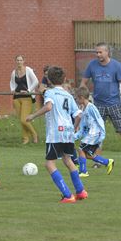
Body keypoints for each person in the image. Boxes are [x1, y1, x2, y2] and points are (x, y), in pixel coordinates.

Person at [26, 66, 87, 203]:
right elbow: (78, 115)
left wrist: (33, 116)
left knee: (49, 164)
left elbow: (48, 107)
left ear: (48, 79)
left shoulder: (50, 93)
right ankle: (80, 191)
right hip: (68, 132)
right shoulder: (68, 95)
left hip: (56, 133)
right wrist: (73, 128)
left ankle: (67, 195)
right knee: (68, 160)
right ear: (64, 79)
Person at [80, 42, 121, 168]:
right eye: (96, 52)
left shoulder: (116, 65)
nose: (98, 54)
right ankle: (98, 161)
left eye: (100, 52)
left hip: (115, 105)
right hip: (98, 105)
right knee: (96, 134)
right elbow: (83, 84)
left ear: (107, 52)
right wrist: (85, 101)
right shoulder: (92, 65)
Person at [74, 86, 114, 177]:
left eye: (76, 98)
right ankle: (107, 162)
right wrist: (75, 136)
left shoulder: (91, 107)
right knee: (87, 154)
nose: (75, 99)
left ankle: (83, 171)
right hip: (90, 135)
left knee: (81, 149)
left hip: (95, 134)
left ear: (81, 97)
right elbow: (83, 127)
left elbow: (99, 120)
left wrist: (102, 135)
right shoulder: (83, 110)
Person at [9, 55, 39, 144]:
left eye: (21, 60)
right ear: (15, 61)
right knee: (21, 120)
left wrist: (29, 90)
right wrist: (12, 89)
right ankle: (25, 139)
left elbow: (36, 81)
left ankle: (34, 134)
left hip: (27, 97)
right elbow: (11, 82)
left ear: (24, 61)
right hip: (17, 98)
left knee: (24, 119)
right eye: (17, 60)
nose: (19, 62)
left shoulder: (28, 70)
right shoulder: (14, 72)